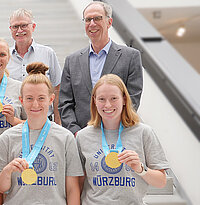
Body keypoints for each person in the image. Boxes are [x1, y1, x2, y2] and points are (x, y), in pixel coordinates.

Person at [0, 63, 83, 204]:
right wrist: (8, 171)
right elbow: (1, 187)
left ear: (51, 99)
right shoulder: (7, 137)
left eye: (41, 98)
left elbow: (72, 188)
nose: (35, 104)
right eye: (29, 98)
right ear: (21, 101)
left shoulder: (65, 137)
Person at [76, 74, 168, 204]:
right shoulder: (82, 136)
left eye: (114, 98)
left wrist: (140, 169)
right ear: (94, 101)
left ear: (124, 99)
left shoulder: (143, 132)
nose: (107, 105)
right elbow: (77, 183)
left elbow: (161, 182)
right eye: (101, 99)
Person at [59, 1, 143, 135]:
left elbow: (133, 98)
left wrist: (117, 128)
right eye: (88, 20)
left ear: (109, 22)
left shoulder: (130, 57)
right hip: (82, 136)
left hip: (119, 135)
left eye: (97, 18)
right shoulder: (72, 61)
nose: (92, 23)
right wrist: (75, 132)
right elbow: (65, 103)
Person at [6, 8, 62, 124]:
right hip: (13, 123)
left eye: (24, 25)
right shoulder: (5, 57)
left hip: (44, 122)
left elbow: (57, 89)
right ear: (10, 29)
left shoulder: (48, 53)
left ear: (33, 26)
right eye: (15, 27)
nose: (19, 30)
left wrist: (58, 120)